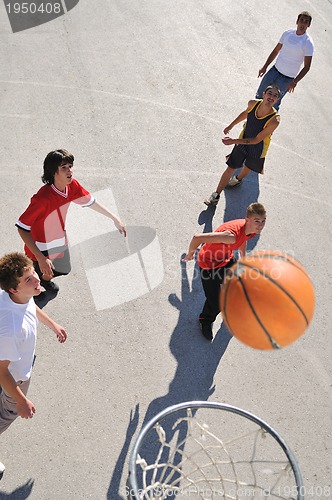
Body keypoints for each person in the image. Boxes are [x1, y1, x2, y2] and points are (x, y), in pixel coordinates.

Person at [16, 149, 126, 306]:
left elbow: (90, 202)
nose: (70, 171)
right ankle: (33, 290)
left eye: (70, 166)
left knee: (61, 269)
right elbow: (22, 227)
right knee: (35, 273)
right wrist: (41, 258)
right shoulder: (42, 200)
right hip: (39, 246)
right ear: (54, 172)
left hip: (58, 239)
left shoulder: (71, 187)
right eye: (64, 168)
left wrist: (114, 218)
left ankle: (43, 280)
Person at [0, 252, 67, 479]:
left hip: (10, 362)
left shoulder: (14, 296)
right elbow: (1, 371)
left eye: (33, 274)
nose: (37, 280)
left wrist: (52, 324)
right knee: (3, 418)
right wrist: (22, 401)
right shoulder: (12, 329)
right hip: (14, 378)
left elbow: (30, 305)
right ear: (14, 289)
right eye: (29, 280)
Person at [183, 203, 266, 341]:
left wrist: (243, 258)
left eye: (263, 221)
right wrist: (190, 254)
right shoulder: (230, 236)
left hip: (225, 259)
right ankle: (205, 320)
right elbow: (198, 237)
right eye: (257, 221)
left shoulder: (251, 231)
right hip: (209, 265)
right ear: (247, 219)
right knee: (216, 302)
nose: (260, 225)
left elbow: (243, 239)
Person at [204, 86, 280, 207]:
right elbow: (245, 113)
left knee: (248, 167)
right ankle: (216, 195)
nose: (271, 97)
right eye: (269, 93)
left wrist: (234, 141)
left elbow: (256, 140)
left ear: (277, 100)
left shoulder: (274, 120)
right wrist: (231, 125)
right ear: (263, 94)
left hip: (258, 148)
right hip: (243, 140)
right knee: (230, 169)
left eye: (275, 96)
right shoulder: (252, 103)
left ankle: (238, 180)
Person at [256, 11, 314, 110]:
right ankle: (251, 122)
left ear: (308, 25)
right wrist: (265, 67)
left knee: (273, 104)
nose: (303, 23)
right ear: (297, 21)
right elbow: (276, 51)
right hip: (274, 71)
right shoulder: (287, 33)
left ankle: (267, 125)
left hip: (287, 79)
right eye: (301, 20)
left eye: (306, 22)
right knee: (260, 97)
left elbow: (307, 67)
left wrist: (295, 82)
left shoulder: (308, 43)